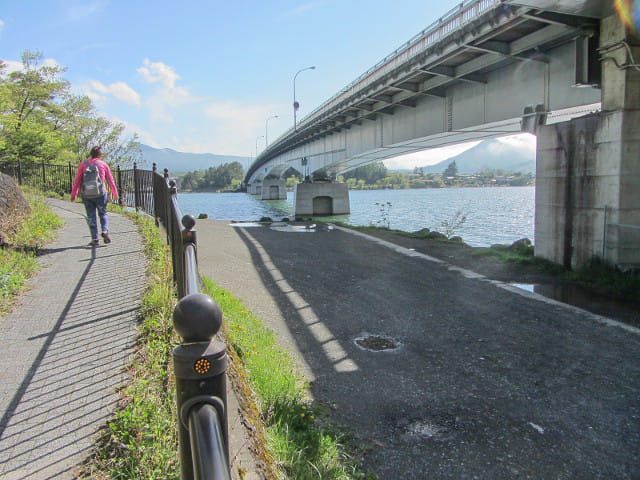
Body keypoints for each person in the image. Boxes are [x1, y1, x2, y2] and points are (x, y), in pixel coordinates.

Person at [70, 146, 119, 246]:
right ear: (100, 155)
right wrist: (115, 193)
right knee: (103, 214)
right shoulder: (103, 164)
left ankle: (95, 238)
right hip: (101, 193)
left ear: (91, 153)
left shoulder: (83, 165)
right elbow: (110, 180)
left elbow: (77, 181)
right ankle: (105, 231)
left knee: (91, 216)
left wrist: (74, 194)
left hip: (87, 195)